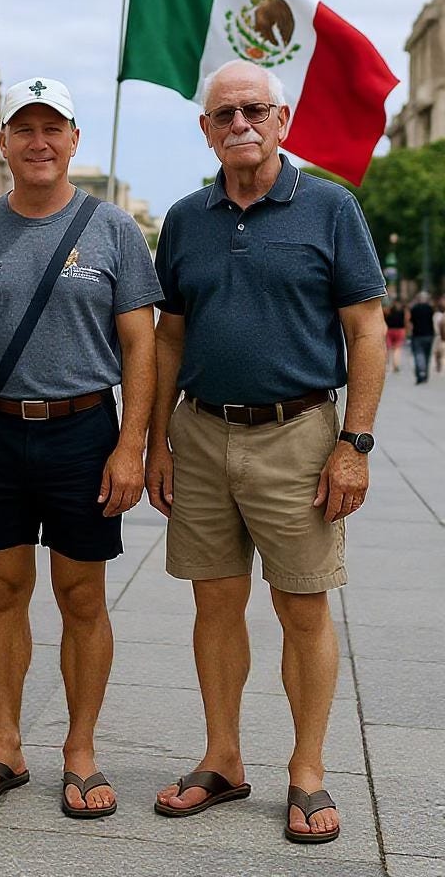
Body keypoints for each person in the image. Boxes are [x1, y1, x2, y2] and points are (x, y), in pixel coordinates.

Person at [147, 60, 386, 844]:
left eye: (255, 110)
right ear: (206, 130)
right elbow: (170, 335)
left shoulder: (330, 207)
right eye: (224, 114)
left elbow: (366, 332)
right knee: (214, 605)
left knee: (302, 607)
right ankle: (222, 758)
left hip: (300, 435)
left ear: (282, 121)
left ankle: (307, 771)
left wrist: (353, 445)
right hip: (201, 433)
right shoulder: (186, 218)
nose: (240, 124)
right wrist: (156, 441)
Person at [0, 78, 160, 818]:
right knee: (2, 592)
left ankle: (80, 751)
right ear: (2, 140)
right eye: (24, 129)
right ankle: (5, 744)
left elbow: (141, 346)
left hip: (83, 432)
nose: (39, 142)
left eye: (52, 128)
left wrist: (131, 445)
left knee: (82, 597)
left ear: (74, 139)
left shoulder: (114, 229)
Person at [407, 291, 435, 384]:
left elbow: (411, 322)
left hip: (417, 335)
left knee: (418, 354)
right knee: (427, 355)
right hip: (429, 335)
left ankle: (420, 373)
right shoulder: (430, 308)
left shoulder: (414, 308)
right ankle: (425, 375)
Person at [383, 298, 405, 372]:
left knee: (388, 348)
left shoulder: (387, 311)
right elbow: (406, 320)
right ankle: (396, 365)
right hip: (400, 330)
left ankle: (387, 365)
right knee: (397, 349)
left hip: (389, 330)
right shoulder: (402, 311)